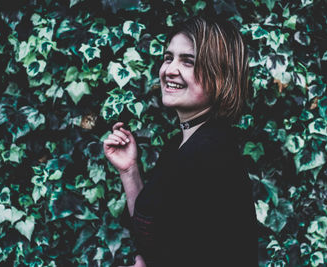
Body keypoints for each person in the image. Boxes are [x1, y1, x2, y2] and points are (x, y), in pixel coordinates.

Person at [103, 16, 258, 267]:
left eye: (188, 61)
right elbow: (154, 236)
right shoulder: (179, 145)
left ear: (220, 75)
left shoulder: (211, 156)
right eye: (168, 58)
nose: (169, 70)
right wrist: (129, 171)